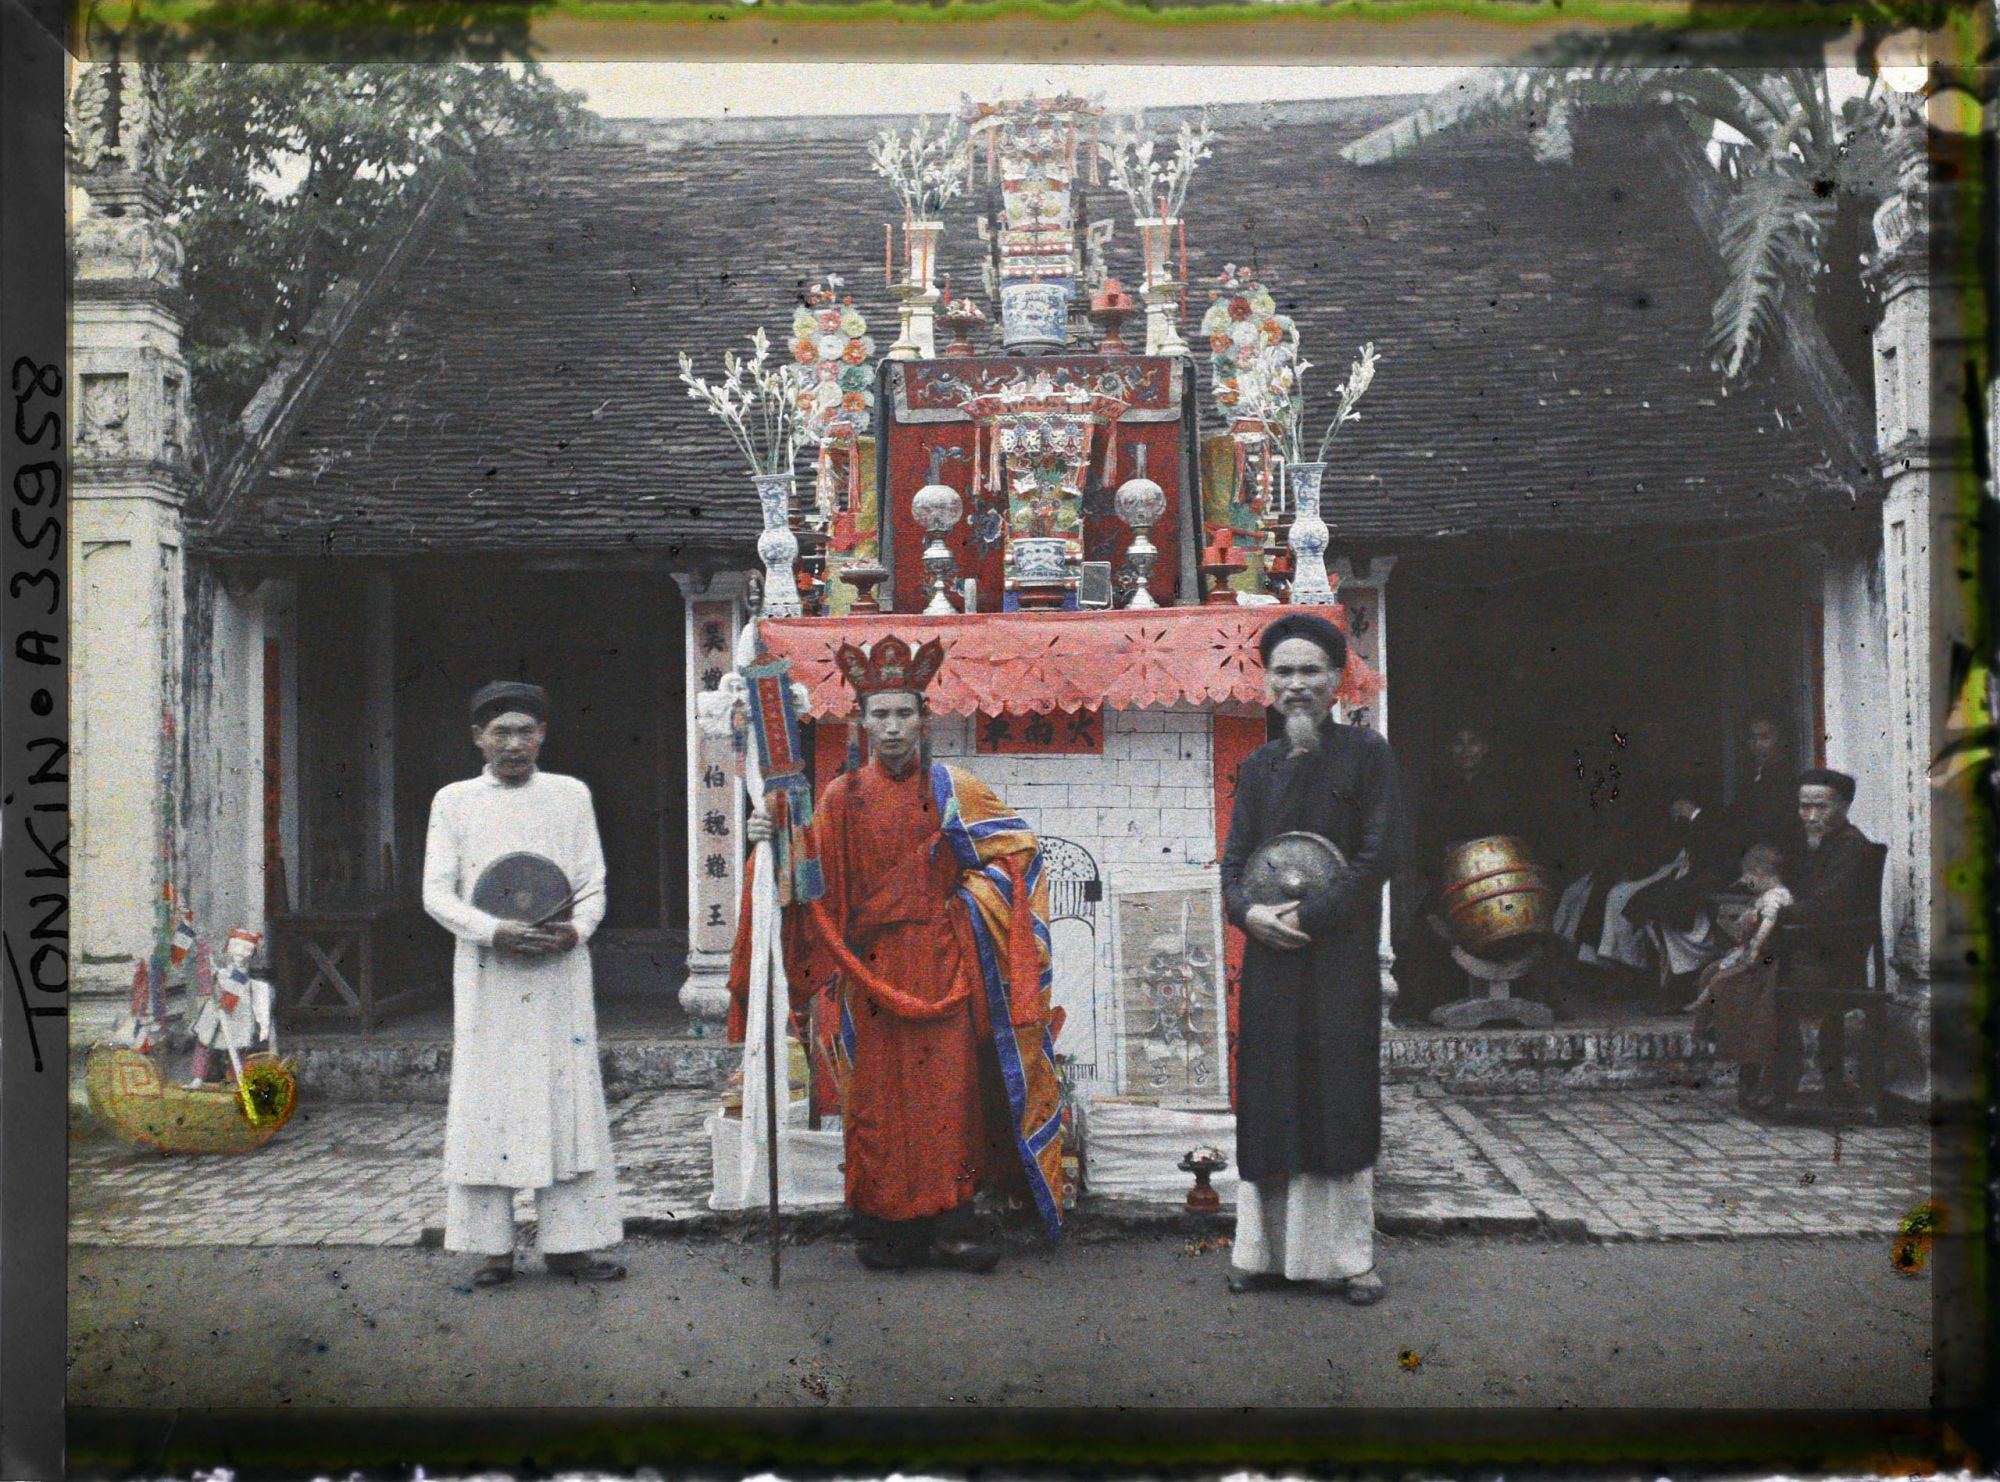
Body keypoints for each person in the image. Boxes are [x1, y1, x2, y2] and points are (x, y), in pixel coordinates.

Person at [736, 635, 1061, 1274]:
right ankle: (886, 1227)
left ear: (924, 719)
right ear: (860, 720)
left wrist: (968, 904)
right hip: (870, 971)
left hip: (944, 961)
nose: (892, 728)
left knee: (949, 1097)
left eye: (904, 714)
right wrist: (768, 844)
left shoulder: (953, 788)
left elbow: (1020, 855)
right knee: (878, 1100)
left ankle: (952, 1222)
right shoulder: (839, 797)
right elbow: (808, 885)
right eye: (879, 715)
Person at [1218, 612, 1408, 1305]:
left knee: (1337, 1093)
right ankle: (1260, 1252)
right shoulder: (1259, 767)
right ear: (1267, 684)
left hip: (1338, 955)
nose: (1297, 685)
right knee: (1270, 1094)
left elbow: (1379, 854)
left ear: (1336, 680)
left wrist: (1314, 915)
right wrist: (1249, 913)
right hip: (1271, 958)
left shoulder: (1367, 754)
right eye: (1284, 673)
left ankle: (1349, 1259)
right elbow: (1235, 863)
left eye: (1310, 672)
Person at [422, 681, 624, 1288]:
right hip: (490, 976)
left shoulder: (570, 796)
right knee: (490, 1103)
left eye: (525, 731)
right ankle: (491, 1249)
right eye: (500, 732)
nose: (513, 743)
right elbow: (436, 892)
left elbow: (592, 880)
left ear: (543, 736)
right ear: (478, 738)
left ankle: (573, 1245)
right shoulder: (454, 801)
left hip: (559, 973)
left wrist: (576, 930)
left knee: (569, 1101)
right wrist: (490, 930)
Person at [1392, 724, 1518, 1026]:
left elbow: (1515, 837)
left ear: (1485, 748)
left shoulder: (1502, 789)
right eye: (1457, 744)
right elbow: (1425, 842)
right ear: (1448, 750)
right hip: (1451, 879)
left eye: (1473, 743)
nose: (1465, 751)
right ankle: (1427, 1004)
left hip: (1498, 880)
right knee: (1426, 929)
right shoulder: (1438, 789)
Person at [1774, 766, 1879, 1097]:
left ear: (1845, 806)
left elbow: (1824, 909)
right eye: (1804, 806)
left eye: (1821, 806)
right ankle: (1772, 1074)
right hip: (1816, 953)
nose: (1810, 815)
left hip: (1833, 963)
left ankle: (1774, 1078)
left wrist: (1773, 913)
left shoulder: (1850, 847)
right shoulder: (1817, 847)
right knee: (1734, 969)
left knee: (1747, 976)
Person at [1688, 843, 1792, 1107]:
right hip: (1760, 956)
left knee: (1721, 980)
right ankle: (1710, 1020)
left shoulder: (1775, 896)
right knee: (1713, 972)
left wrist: (1755, 944)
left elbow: (1768, 922)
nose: (1746, 884)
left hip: (1766, 959)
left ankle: (1711, 1022)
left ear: (1757, 873)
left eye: (1747, 879)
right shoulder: (1768, 896)